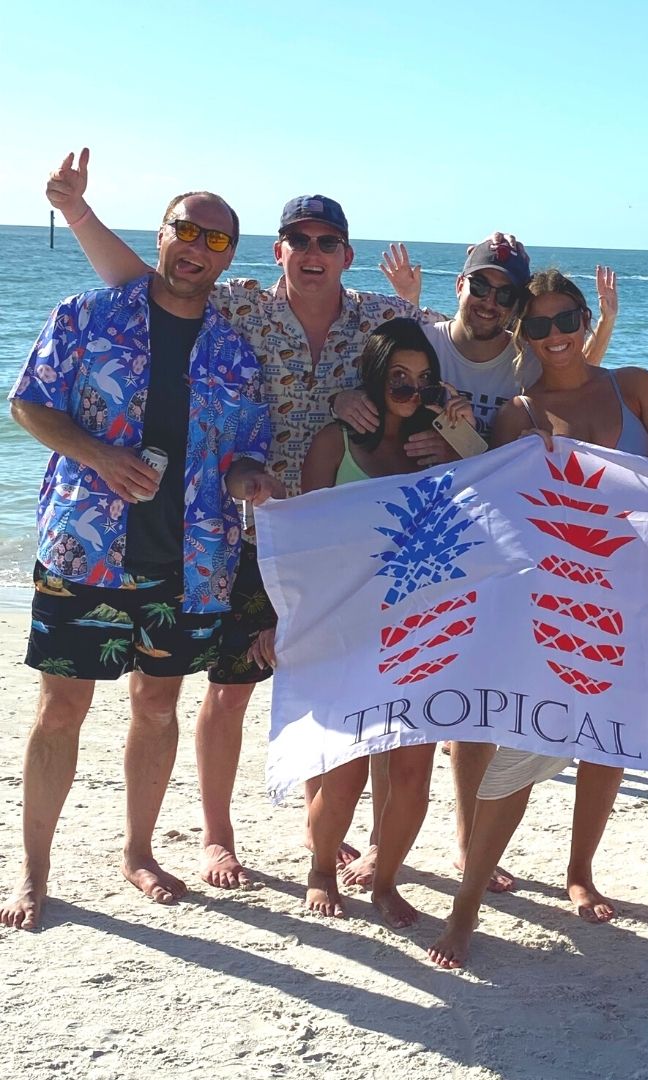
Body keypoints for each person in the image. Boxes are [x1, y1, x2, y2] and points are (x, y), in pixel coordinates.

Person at [45, 149, 449, 889]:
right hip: (239, 534)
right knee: (228, 690)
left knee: (332, 688)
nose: (314, 253)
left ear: (346, 254)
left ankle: (321, 826)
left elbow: (462, 352)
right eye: (300, 240)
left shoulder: (380, 319)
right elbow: (142, 284)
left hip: (339, 547)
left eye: (328, 242)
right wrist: (76, 212)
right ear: (278, 250)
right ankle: (216, 836)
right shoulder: (238, 307)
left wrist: (469, 420)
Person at [1, 191, 277, 931]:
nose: (197, 247)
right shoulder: (87, 316)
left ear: (228, 257)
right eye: (186, 231)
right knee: (62, 709)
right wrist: (99, 455)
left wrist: (249, 479)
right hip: (85, 548)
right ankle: (34, 870)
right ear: (161, 236)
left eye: (216, 240)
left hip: (190, 563)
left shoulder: (233, 349)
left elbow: (245, 447)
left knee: (157, 708)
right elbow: (28, 404)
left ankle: (139, 851)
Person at [342, 238, 619, 897]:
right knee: (398, 700)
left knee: (476, 709)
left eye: (507, 294)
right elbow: (367, 384)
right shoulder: (426, 340)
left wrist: (603, 323)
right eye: (482, 286)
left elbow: (576, 379)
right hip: (410, 543)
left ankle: (470, 846)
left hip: (494, 550)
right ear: (460, 284)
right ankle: (383, 841)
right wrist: (338, 405)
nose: (492, 301)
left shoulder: (526, 362)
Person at [427, 269, 648, 969]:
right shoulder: (518, 413)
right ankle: (467, 903)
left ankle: (580, 872)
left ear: (582, 315)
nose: (556, 335)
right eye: (536, 326)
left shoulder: (634, 386)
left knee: (607, 744)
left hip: (637, 594)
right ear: (520, 335)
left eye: (566, 318)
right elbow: (501, 516)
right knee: (519, 751)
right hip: (559, 604)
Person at [251, 319, 477, 926]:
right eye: (398, 376)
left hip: (423, 624)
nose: (409, 389)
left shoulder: (438, 445)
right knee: (344, 765)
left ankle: (386, 879)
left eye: (422, 380)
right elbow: (306, 539)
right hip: (346, 626)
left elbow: (490, 509)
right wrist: (285, 621)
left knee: (411, 770)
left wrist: (460, 439)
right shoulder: (335, 442)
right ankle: (322, 869)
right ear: (375, 377)